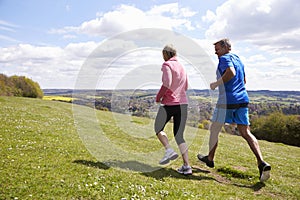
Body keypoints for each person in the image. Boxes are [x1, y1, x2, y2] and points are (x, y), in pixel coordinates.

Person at [197, 38, 271, 182]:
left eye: (217, 49)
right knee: (246, 132)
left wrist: (216, 84)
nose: (215, 52)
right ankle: (261, 163)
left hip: (227, 101)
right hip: (243, 99)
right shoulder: (238, 59)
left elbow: (230, 72)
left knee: (214, 129)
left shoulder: (224, 59)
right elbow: (243, 81)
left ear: (225, 48)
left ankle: (210, 158)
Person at [154, 44, 192, 175]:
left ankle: (169, 150)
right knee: (179, 135)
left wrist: (159, 97)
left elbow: (167, 83)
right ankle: (187, 166)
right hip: (183, 104)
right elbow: (186, 86)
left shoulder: (167, 65)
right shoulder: (182, 66)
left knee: (158, 128)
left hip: (170, 103)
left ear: (166, 54)